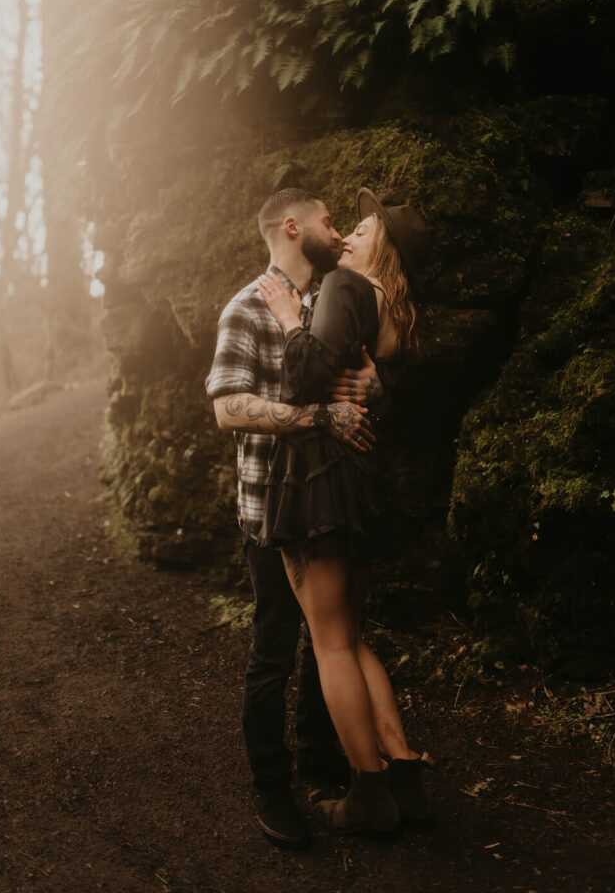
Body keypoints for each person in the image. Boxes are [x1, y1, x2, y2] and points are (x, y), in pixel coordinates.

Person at [205, 188, 392, 849]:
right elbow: (228, 408)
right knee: (273, 650)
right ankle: (273, 788)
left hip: (324, 504)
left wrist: (372, 389)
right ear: (292, 226)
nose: (337, 233)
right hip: (268, 511)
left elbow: (361, 378)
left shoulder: (325, 304)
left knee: (328, 643)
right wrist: (319, 417)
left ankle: (322, 771)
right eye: (326, 220)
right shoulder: (248, 307)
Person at [256, 186, 432, 835]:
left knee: (329, 643)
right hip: (361, 480)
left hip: (320, 476)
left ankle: (369, 794)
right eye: (347, 226)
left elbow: (306, 376)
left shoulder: (346, 289)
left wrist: (285, 318)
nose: (349, 237)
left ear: (381, 246)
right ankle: (404, 773)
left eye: (361, 228)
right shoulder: (394, 310)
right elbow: (378, 381)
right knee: (351, 638)